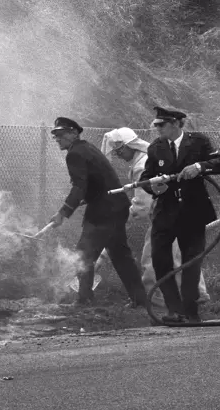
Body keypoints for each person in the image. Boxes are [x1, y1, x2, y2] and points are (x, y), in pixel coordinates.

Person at [97, 128, 211, 305]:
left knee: (152, 257)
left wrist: (122, 216)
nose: (119, 155)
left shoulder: (142, 165)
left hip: (166, 216)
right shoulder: (149, 158)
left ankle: (156, 298)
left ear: (130, 146)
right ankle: (198, 293)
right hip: (178, 211)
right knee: (182, 254)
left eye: (120, 151)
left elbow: (142, 206)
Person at [139, 107, 220, 324]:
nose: (157, 129)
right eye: (157, 125)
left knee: (191, 263)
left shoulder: (198, 142)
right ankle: (174, 310)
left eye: (161, 125)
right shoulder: (156, 148)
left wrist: (199, 167)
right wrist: (155, 187)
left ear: (176, 124)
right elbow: (146, 178)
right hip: (165, 214)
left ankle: (190, 312)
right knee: (161, 261)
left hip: (193, 212)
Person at [46, 117, 148, 307]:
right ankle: (140, 299)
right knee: (121, 256)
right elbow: (96, 182)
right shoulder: (87, 148)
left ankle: (84, 300)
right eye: (55, 136)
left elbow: (79, 187)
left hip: (104, 211)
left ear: (74, 133)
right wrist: (85, 199)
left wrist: (63, 213)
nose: (57, 139)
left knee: (83, 256)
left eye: (61, 134)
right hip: (116, 207)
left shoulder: (75, 154)